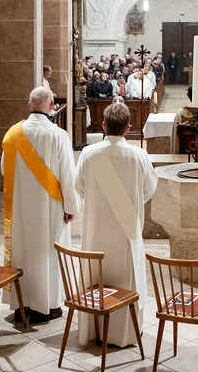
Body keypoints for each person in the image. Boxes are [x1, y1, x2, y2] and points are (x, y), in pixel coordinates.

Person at [75, 102, 158, 346]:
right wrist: (130, 202)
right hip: (126, 230)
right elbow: (149, 189)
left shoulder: (89, 153)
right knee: (126, 276)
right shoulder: (139, 155)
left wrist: (98, 197)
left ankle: (94, 331)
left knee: (95, 273)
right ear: (128, 128)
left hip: (96, 228)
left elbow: (80, 187)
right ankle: (124, 334)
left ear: (103, 126)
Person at [1, 87, 80, 324]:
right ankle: (47, 306)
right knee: (48, 254)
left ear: (29, 105)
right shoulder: (58, 135)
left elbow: (4, 170)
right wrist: (71, 207)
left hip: (21, 207)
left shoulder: (13, 134)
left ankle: (21, 304)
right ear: (51, 105)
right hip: (51, 207)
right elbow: (68, 175)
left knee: (23, 253)